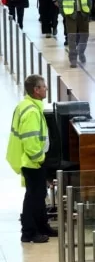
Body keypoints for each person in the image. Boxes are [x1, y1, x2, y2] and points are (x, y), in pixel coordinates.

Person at [7, 75, 54, 243]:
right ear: (36, 90)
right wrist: (39, 158)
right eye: (43, 86)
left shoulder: (27, 105)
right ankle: (29, 232)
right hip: (32, 161)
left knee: (39, 194)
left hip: (30, 160)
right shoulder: (32, 111)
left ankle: (42, 226)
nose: (46, 88)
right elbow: (30, 140)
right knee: (33, 196)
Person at [58, 0, 91, 68]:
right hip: (70, 14)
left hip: (83, 13)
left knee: (85, 36)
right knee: (72, 37)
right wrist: (63, 12)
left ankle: (81, 52)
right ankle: (73, 58)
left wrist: (88, 10)